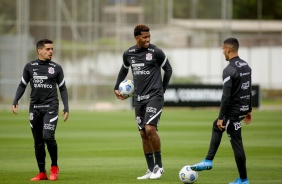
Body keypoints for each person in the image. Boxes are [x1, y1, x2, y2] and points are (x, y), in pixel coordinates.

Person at [114, 24, 172, 180]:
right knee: (142, 133)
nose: (147, 40)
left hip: (155, 96)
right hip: (139, 98)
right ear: (136, 37)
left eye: (149, 37)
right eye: (144, 37)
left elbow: (168, 69)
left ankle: (159, 167)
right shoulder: (129, 54)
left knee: (150, 129)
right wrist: (116, 87)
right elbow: (124, 69)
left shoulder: (156, 52)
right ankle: (150, 169)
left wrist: (162, 89)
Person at [190, 38, 252, 184]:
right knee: (220, 130)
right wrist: (249, 110)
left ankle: (243, 179)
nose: (223, 52)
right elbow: (248, 88)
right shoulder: (246, 65)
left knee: (234, 141)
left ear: (228, 49)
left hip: (232, 112)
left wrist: (221, 116)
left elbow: (226, 96)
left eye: (223, 49)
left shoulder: (229, 69)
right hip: (242, 109)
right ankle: (208, 160)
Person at [12, 39, 69, 181]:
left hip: (51, 107)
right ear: (40, 50)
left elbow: (62, 88)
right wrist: (15, 100)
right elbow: (22, 84)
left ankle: (54, 167)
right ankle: (42, 172)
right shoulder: (29, 67)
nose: (51, 52)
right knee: (38, 141)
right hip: (34, 108)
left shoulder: (56, 68)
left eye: (52, 49)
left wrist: (66, 107)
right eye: (48, 49)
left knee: (48, 136)